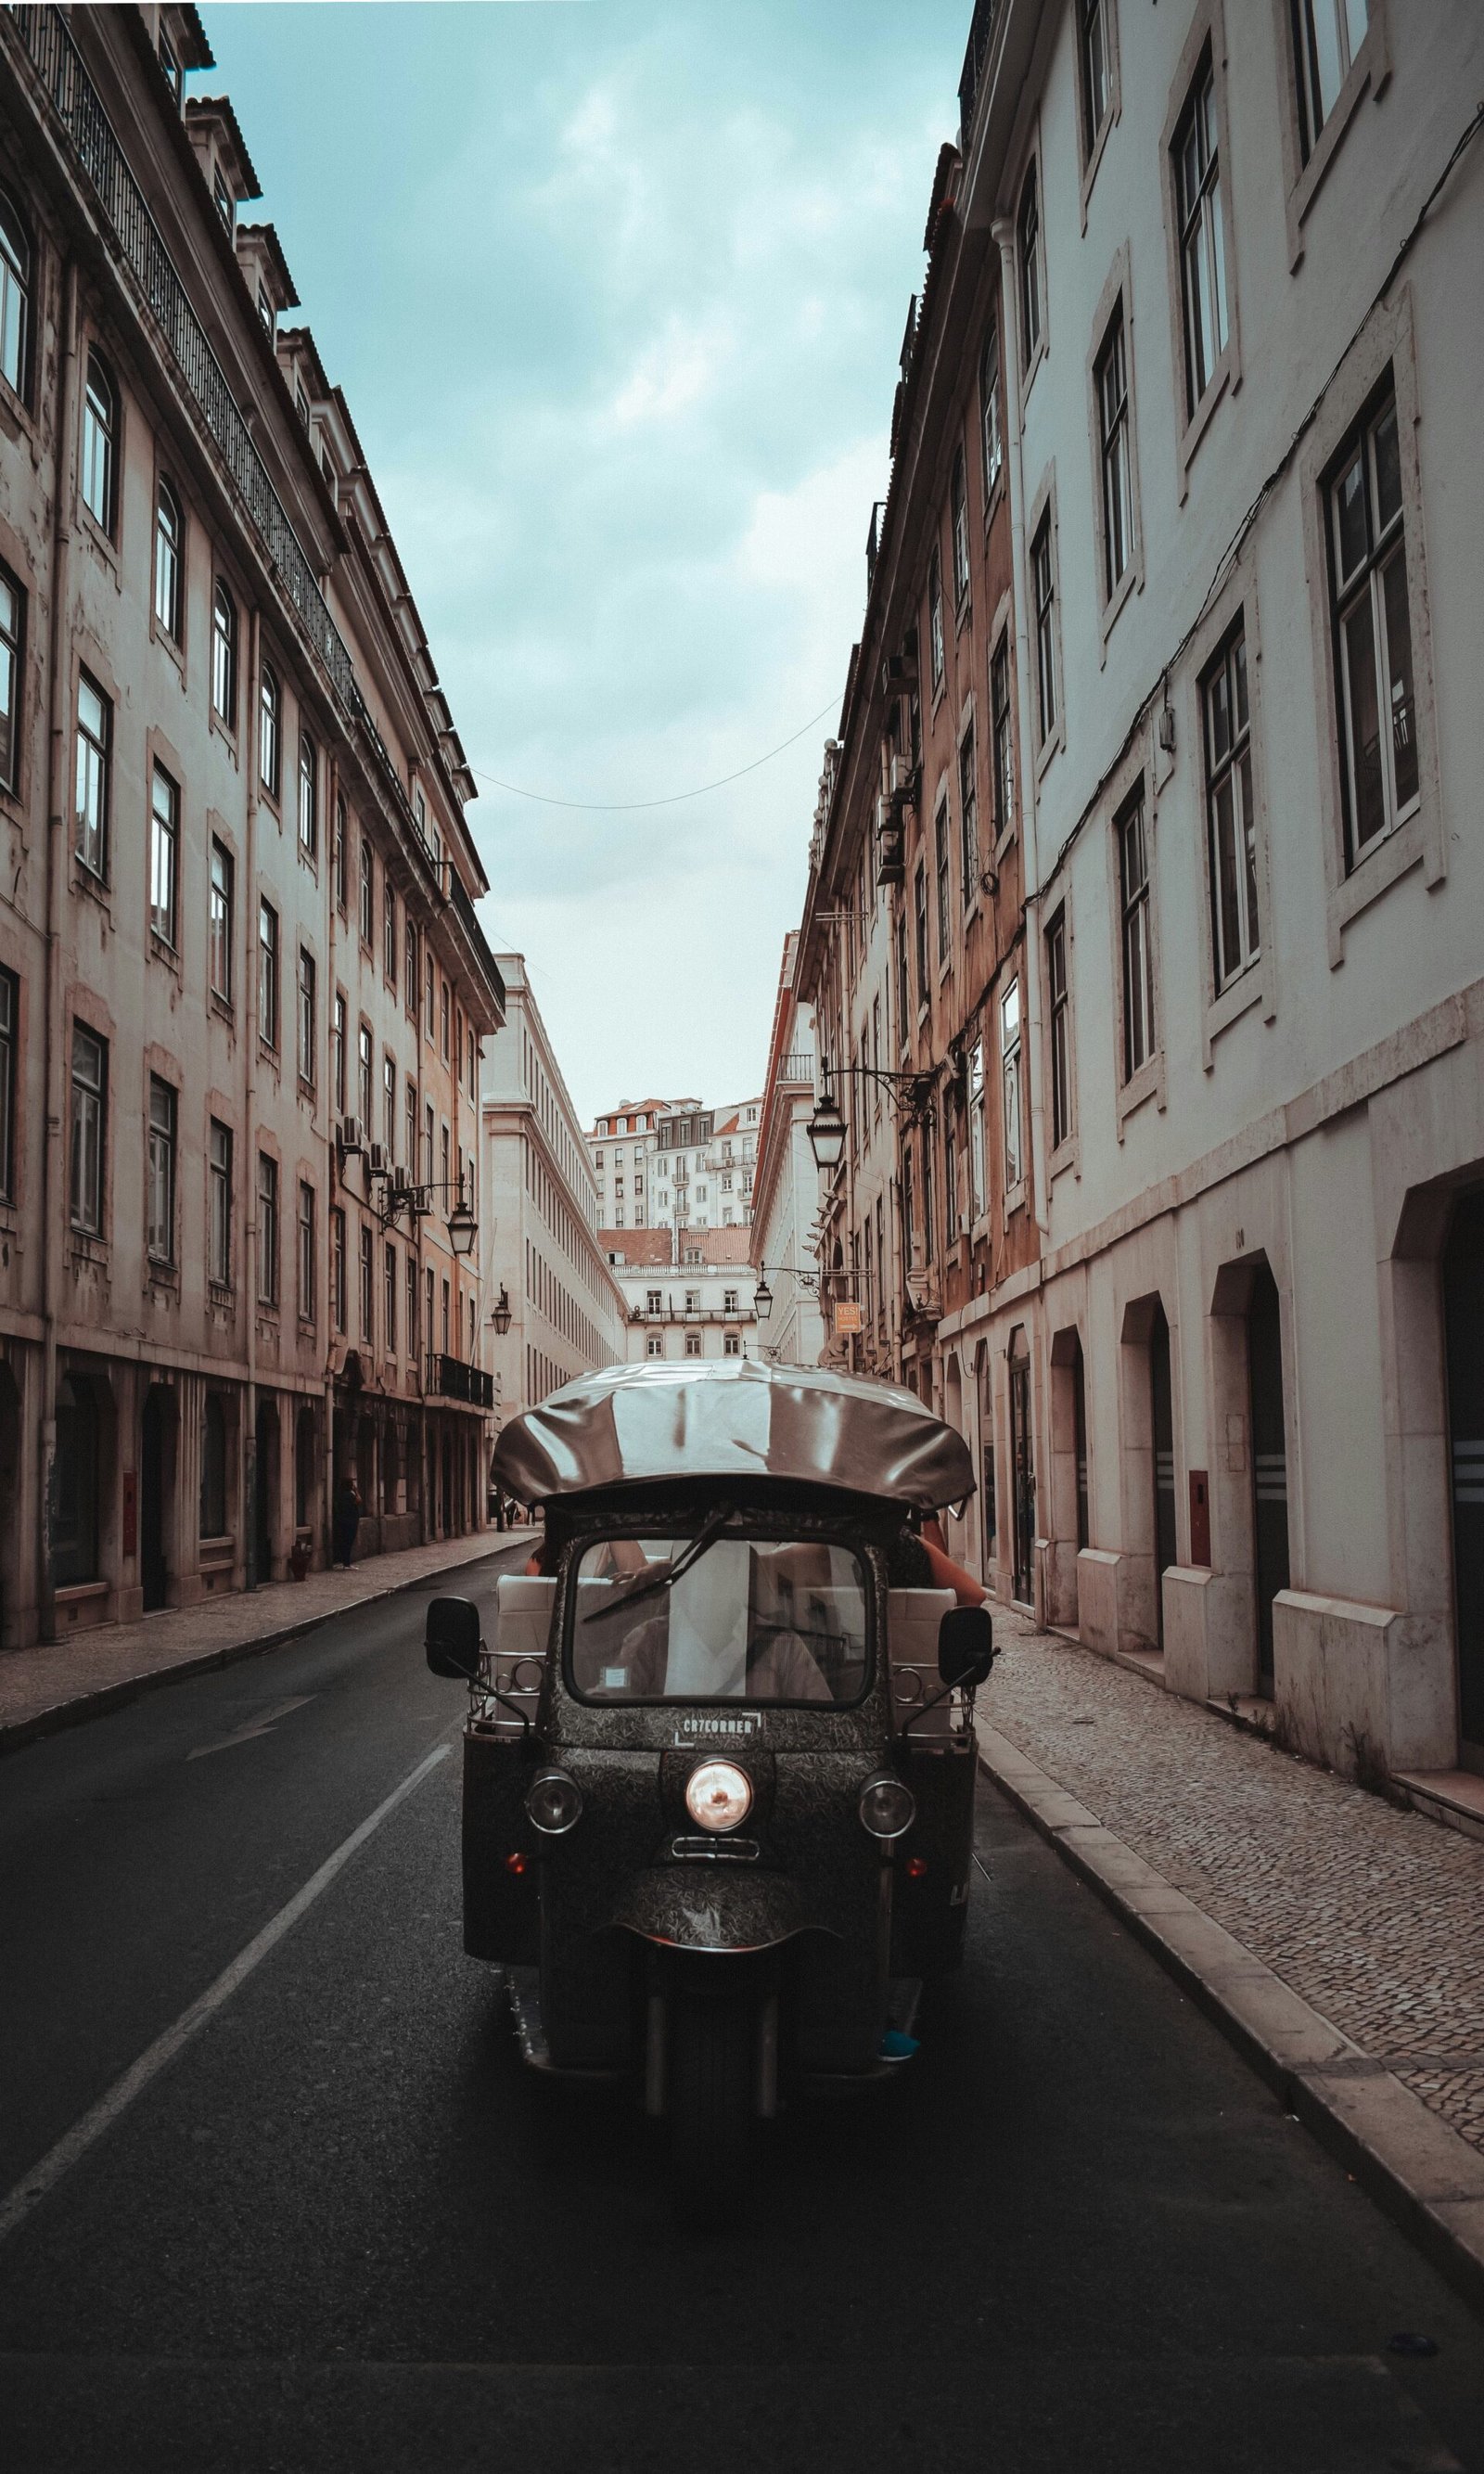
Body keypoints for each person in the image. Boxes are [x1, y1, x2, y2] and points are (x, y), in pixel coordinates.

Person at [332, 1472, 362, 1570]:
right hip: (350, 1522)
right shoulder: (350, 1495)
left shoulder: (339, 1494)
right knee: (348, 1542)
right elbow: (359, 1501)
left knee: (343, 1542)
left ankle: (343, 1562)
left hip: (341, 1521)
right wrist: (356, 1491)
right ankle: (346, 1563)